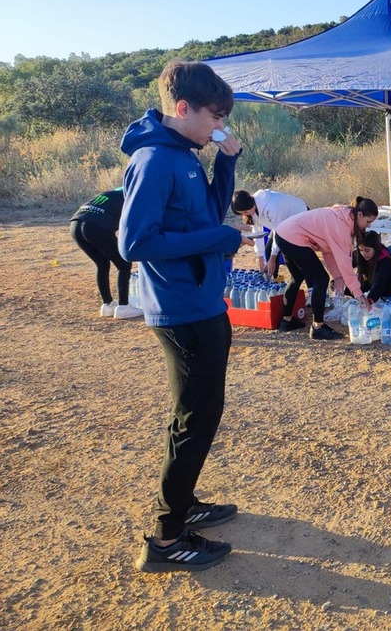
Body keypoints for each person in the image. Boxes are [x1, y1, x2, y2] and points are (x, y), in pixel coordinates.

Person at [119, 60, 251, 572]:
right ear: (183, 108)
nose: (220, 126)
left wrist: (227, 162)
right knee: (196, 418)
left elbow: (210, 215)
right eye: (216, 117)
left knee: (199, 413)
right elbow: (133, 242)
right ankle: (167, 538)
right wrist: (217, 241)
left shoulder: (187, 155)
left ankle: (183, 503)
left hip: (200, 301)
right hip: (180, 308)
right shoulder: (155, 161)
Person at [273, 197, 379, 340]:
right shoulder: (341, 227)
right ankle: (318, 326)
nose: (368, 226)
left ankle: (286, 321)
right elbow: (345, 264)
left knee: (297, 277)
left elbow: (328, 251)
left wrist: (337, 277)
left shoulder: (343, 215)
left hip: (283, 233)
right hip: (292, 237)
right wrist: (358, 293)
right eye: (368, 221)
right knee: (321, 279)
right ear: (359, 215)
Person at [70, 187, 143, 320]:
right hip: (95, 226)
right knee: (124, 264)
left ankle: (108, 305)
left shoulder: (114, 193)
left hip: (75, 225)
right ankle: (123, 307)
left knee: (102, 264)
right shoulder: (135, 196)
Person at [231, 188, 308, 278]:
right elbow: (257, 234)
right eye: (241, 213)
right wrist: (261, 260)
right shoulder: (252, 210)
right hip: (282, 224)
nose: (244, 215)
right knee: (268, 251)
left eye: (244, 212)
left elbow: (279, 232)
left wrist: (273, 258)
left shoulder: (270, 207)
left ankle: (307, 280)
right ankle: (272, 280)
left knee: (289, 252)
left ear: (249, 204)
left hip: (301, 217)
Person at [351, 230, 391, 303]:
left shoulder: (385, 260)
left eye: (367, 251)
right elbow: (348, 262)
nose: (363, 253)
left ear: (375, 248)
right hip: (370, 280)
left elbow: (379, 283)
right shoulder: (360, 253)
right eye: (361, 250)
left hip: (388, 286)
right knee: (352, 288)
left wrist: (369, 300)